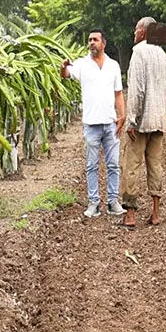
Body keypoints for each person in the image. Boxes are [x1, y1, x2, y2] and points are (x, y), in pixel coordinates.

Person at [60, 29, 127, 218]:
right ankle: (93, 203)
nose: (91, 43)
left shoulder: (113, 66)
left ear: (103, 43)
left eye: (95, 40)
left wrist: (122, 116)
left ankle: (113, 202)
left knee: (113, 164)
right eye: (89, 40)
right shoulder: (82, 64)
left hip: (110, 122)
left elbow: (118, 94)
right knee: (91, 165)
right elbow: (65, 75)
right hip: (91, 124)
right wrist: (63, 66)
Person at [121, 17, 166, 228]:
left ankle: (130, 215)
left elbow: (137, 89)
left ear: (143, 32)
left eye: (136, 30)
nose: (134, 34)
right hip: (158, 118)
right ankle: (155, 213)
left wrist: (131, 120)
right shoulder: (161, 53)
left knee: (131, 165)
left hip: (141, 121)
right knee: (155, 165)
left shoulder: (139, 52)